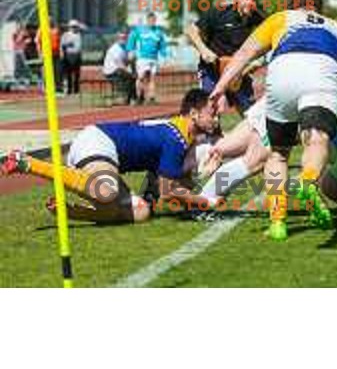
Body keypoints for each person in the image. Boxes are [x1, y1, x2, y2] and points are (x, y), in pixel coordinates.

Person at [210, 0, 337, 241]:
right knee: (317, 138)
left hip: (285, 69)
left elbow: (243, 54)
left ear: (291, 3)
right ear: (317, 6)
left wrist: (219, 88)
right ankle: (308, 182)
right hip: (324, 70)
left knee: (277, 154)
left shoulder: (281, 18)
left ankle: (278, 223)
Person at [0, 89, 220, 224]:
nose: (216, 119)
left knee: (141, 212)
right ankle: (27, 162)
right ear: (193, 113)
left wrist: (200, 183)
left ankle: (72, 213)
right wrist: (205, 201)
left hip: (105, 155)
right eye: (212, 113)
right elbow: (168, 191)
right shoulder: (177, 138)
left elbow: (174, 189)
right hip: (99, 141)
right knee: (107, 190)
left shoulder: (182, 137)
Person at [191, 96, 337, 225]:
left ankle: (188, 160)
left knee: (225, 148)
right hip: (296, 108)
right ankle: (199, 200)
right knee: (254, 159)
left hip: (298, 104)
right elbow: (331, 187)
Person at [186, 0, 264, 114]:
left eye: (254, 0)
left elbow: (267, 42)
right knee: (210, 111)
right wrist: (204, 51)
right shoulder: (219, 12)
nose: (250, 3)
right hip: (212, 71)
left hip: (238, 71)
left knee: (252, 115)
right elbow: (191, 30)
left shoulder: (258, 18)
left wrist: (257, 62)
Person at [127, 12, 168, 104]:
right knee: (141, 77)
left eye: (154, 20)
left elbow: (162, 45)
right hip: (142, 58)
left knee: (152, 78)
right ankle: (138, 96)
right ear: (147, 20)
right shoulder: (140, 30)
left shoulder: (158, 32)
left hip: (154, 58)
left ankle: (151, 97)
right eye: (150, 20)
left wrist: (164, 56)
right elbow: (131, 39)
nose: (152, 22)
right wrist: (130, 50)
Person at [103, 31, 136, 104]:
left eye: (125, 38)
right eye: (121, 38)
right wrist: (130, 72)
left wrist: (131, 60)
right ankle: (131, 98)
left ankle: (130, 98)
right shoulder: (115, 49)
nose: (123, 39)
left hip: (118, 70)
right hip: (110, 71)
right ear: (117, 39)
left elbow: (126, 62)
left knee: (132, 77)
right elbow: (120, 64)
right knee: (130, 77)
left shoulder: (124, 48)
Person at [36, 17, 62, 92]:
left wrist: (61, 51)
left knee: (57, 70)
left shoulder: (56, 29)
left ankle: (57, 87)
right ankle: (46, 87)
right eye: (48, 21)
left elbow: (59, 41)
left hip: (56, 54)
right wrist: (40, 53)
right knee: (46, 70)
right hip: (46, 54)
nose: (50, 22)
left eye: (51, 21)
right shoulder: (42, 29)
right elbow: (37, 41)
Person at [60, 20, 83, 95]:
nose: (74, 28)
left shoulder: (79, 34)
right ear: (69, 27)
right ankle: (69, 90)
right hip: (68, 56)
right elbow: (62, 45)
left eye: (76, 27)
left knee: (77, 74)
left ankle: (76, 90)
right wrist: (63, 54)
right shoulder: (66, 35)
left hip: (77, 56)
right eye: (73, 27)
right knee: (69, 74)